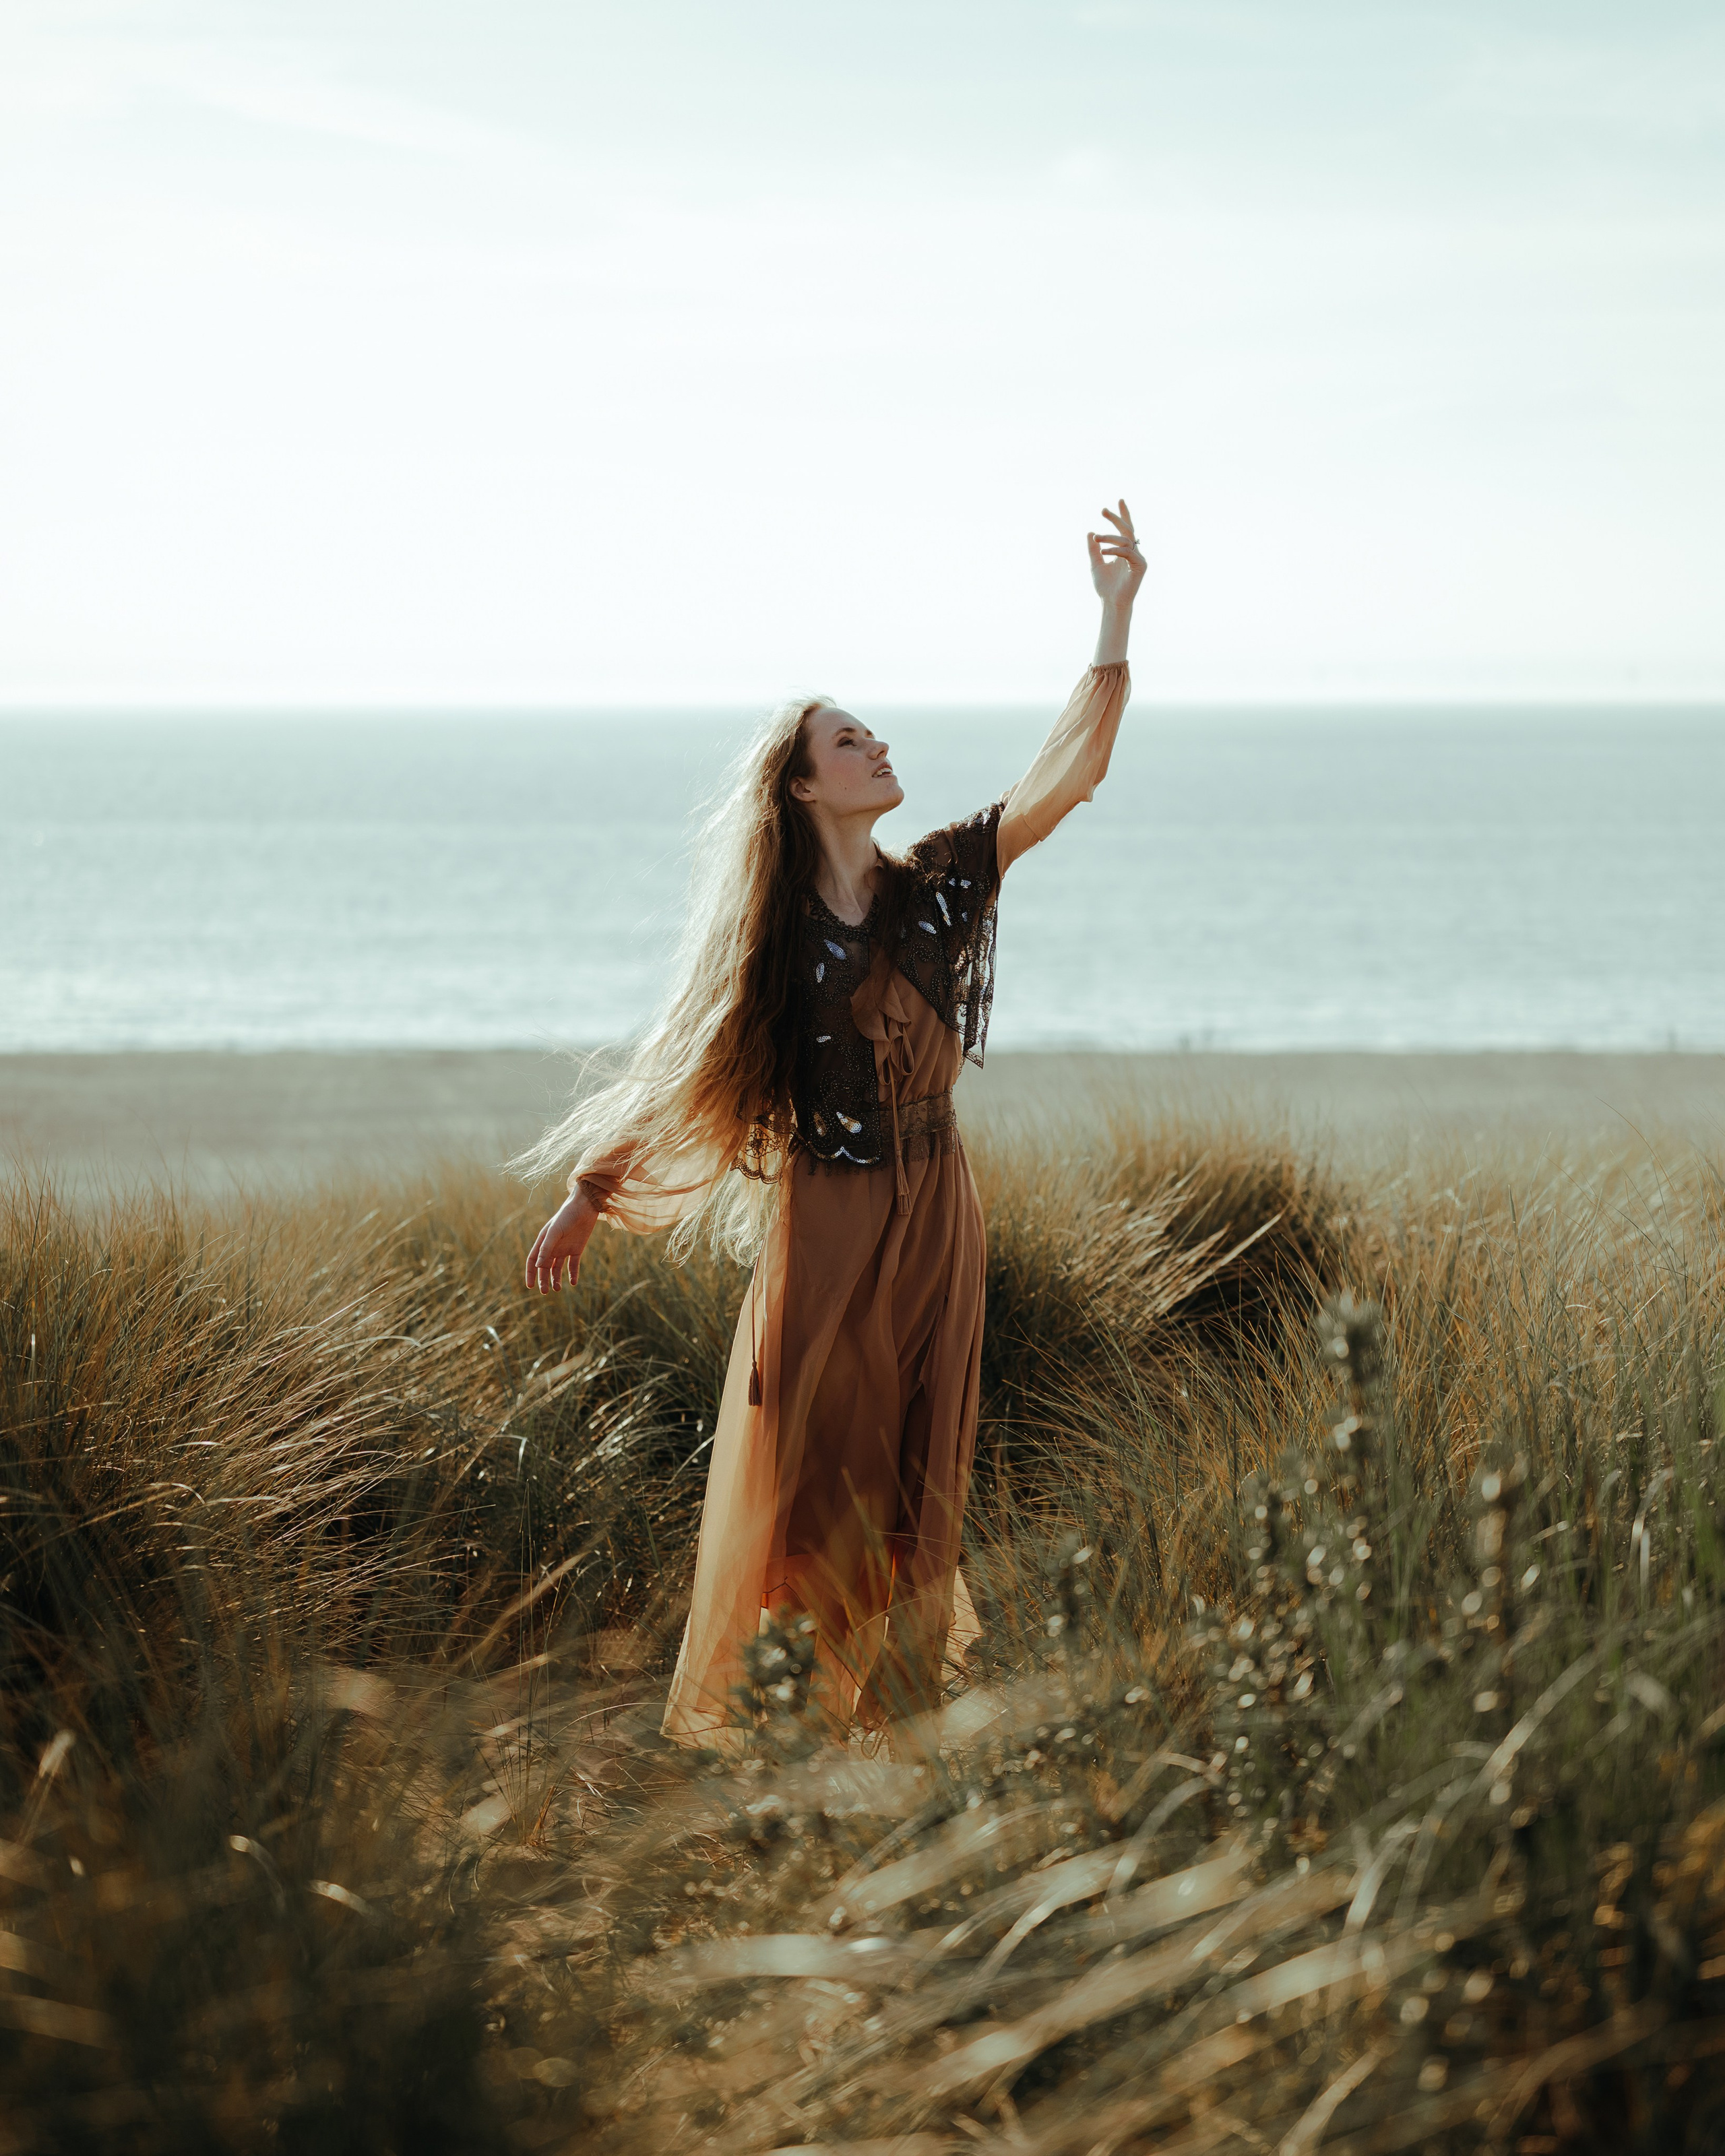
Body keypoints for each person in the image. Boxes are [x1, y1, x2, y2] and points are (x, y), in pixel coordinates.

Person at [520, 502, 1146, 1746]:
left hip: (940, 1213)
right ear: (804, 783)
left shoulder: (938, 890)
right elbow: (695, 1072)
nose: (876, 746)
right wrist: (593, 1192)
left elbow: (1065, 781)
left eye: (872, 733)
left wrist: (1115, 615)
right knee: (825, 1470)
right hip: (834, 1219)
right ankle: (794, 1720)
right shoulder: (777, 947)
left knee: (925, 1458)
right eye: (849, 740)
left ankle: (895, 1724)